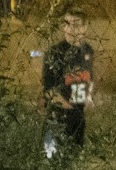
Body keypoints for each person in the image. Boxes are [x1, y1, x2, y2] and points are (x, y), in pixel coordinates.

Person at [41, 9, 95, 158]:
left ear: (84, 28)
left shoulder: (87, 51)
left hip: (78, 116)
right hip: (59, 117)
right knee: (57, 162)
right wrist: (68, 107)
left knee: (75, 160)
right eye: (67, 24)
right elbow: (49, 90)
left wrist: (88, 96)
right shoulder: (55, 53)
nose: (71, 29)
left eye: (76, 24)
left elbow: (89, 79)